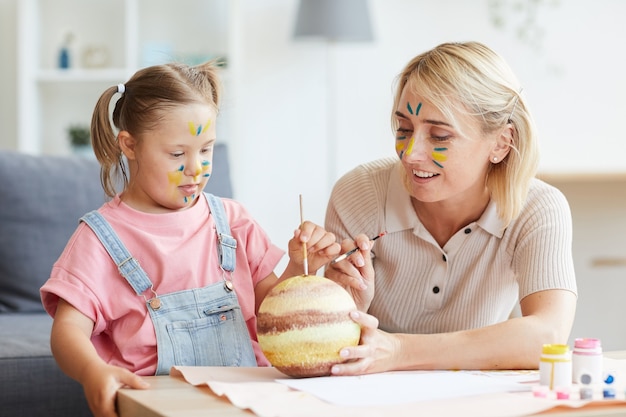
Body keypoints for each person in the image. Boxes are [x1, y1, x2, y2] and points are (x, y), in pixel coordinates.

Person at [40, 61, 340, 417]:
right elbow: (68, 330)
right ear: (130, 145)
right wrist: (94, 372)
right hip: (157, 404)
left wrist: (300, 266)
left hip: (247, 399)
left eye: (207, 149)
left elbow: (270, 316)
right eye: (178, 154)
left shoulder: (232, 222)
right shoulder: (99, 238)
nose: (196, 168)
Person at [324, 41, 577, 375]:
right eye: (404, 129)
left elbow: (549, 336)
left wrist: (400, 350)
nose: (410, 154)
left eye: (440, 135)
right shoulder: (359, 193)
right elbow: (328, 341)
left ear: (501, 143)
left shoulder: (538, 208)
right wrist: (344, 309)